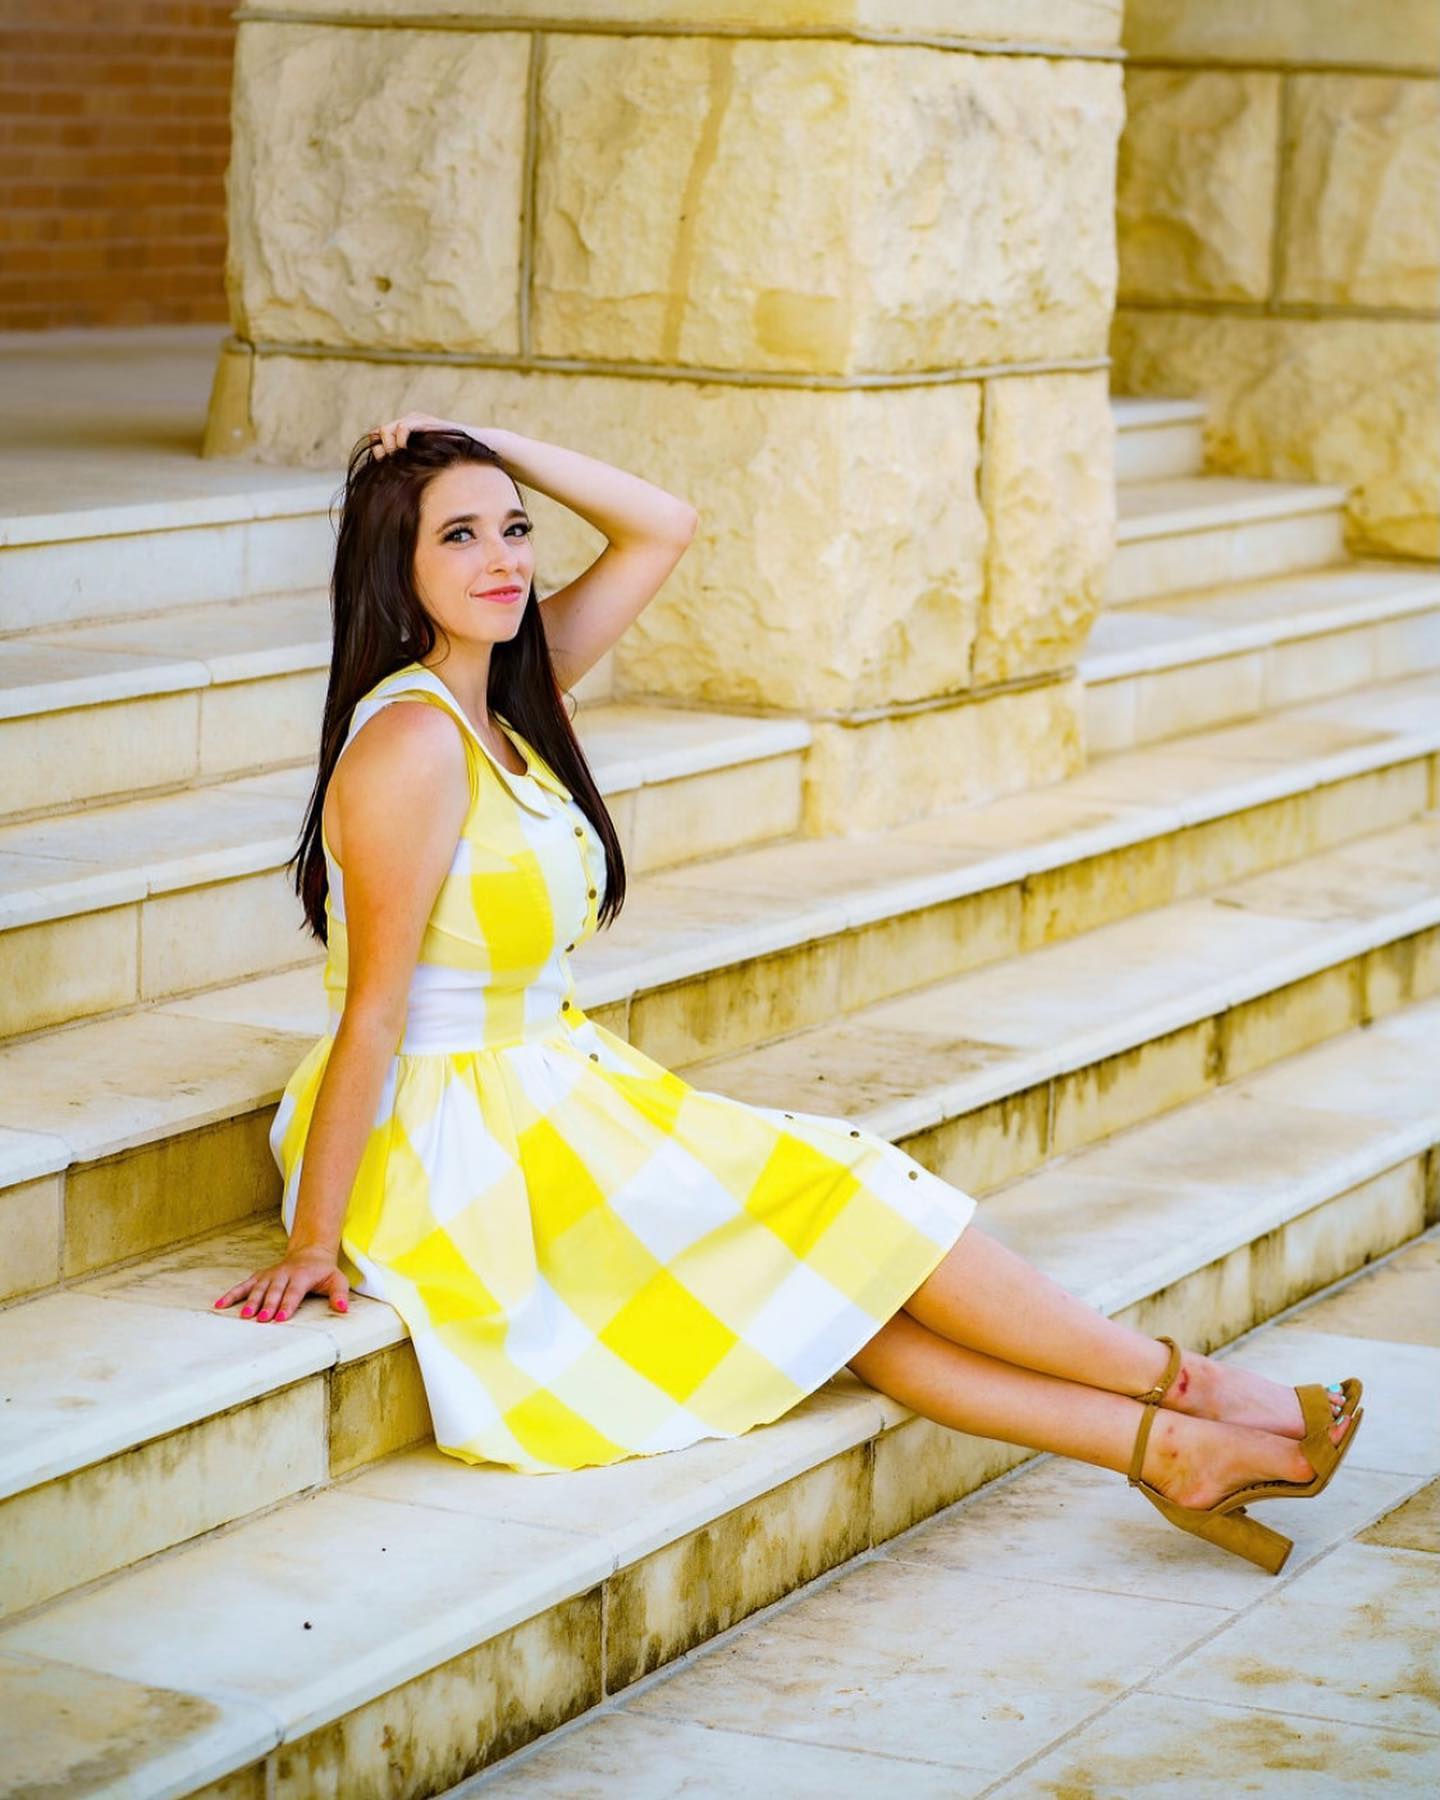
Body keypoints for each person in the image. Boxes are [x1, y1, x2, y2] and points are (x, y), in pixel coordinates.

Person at [215, 414, 1363, 1574]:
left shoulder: (510, 695)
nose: (504, 557)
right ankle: (1202, 1392)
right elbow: (375, 1013)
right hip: (459, 1136)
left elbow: (663, 525)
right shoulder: (411, 744)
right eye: (458, 536)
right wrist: (317, 1238)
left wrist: (487, 439)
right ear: (393, 569)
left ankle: (1172, 1447)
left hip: (550, 1088)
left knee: (842, 1274)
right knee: (848, 1208)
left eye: (513, 528)